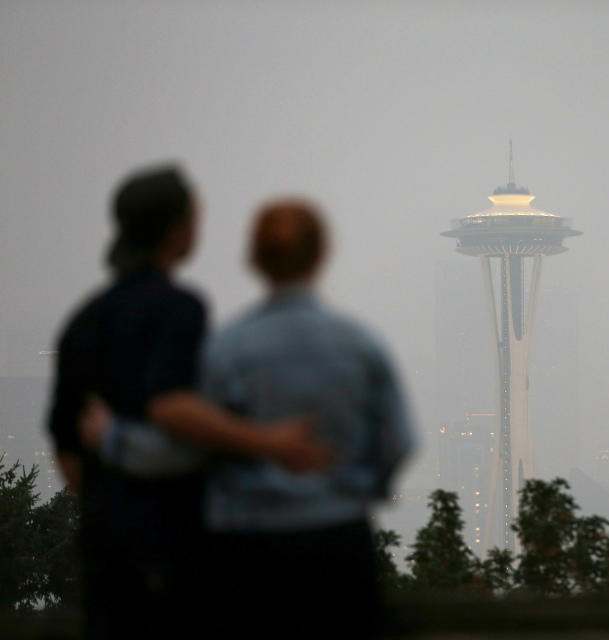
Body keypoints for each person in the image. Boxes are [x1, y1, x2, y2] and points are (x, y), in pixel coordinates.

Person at [88, 197, 415, 637]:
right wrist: (351, 490)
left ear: (255, 259)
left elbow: (185, 449)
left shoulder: (226, 348)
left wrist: (114, 439)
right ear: (322, 255)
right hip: (339, 546)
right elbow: (398, 442)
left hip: (244, 552)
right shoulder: (360, 346)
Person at [47, 165, 330, 639]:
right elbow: (170, 406)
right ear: (177, 232)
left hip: (103, 547)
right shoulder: (179, 308)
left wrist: (110, 501)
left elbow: (67, 448)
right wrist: (266, 442)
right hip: (176, 544)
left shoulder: (83, 321)